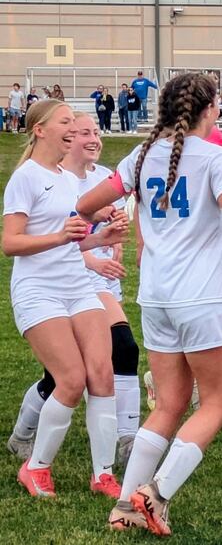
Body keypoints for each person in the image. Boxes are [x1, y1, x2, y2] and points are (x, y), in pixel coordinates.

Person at [76, 72, 222, 536]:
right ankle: (156, 494)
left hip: (156, 299)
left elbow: (86, 204)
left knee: (168, 404)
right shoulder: (212, 157)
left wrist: (109, 214)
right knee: (217, 403)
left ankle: (125, 504)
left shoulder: (140, 156)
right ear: (212, 110)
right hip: (201, 299)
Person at [2, 99, 129, 499]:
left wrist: (99, 239)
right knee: (71, 380)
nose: (74, 128)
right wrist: (61, 237)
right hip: (38, 290)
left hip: (78, 286)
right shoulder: (26, 177)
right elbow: (10, 243)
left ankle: (103, 474)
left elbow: (75, 242)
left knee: (103, 374)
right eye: (66, 122)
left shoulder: (71, 179)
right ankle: (36, 467)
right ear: (40, 130)